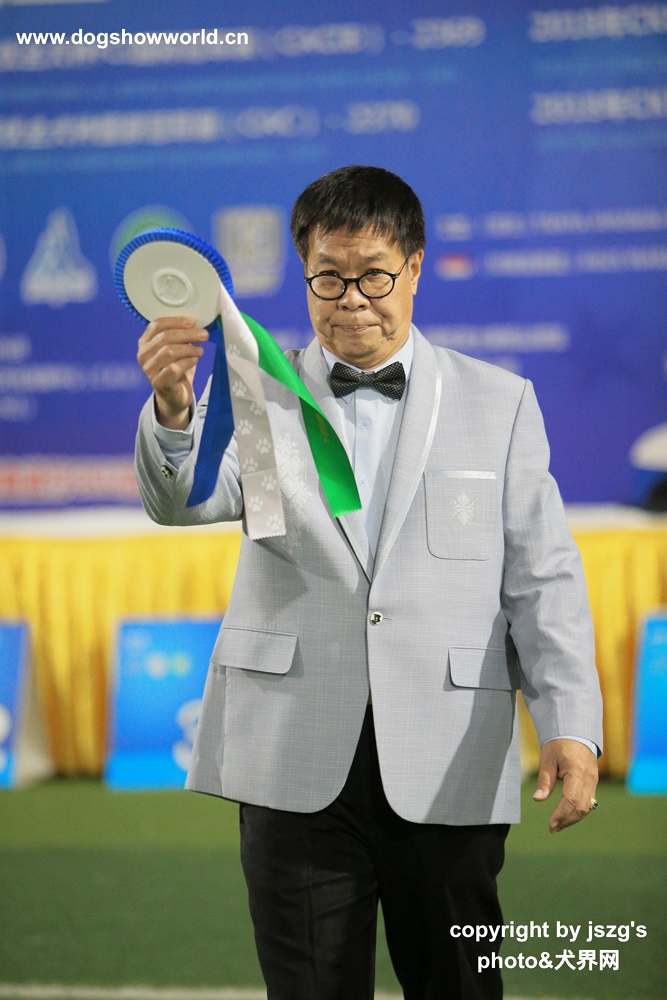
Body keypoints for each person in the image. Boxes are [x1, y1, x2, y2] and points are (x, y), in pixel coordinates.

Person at [134, 165, 602, 1000]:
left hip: (449, 757)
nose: (351, 300)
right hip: (293, 759)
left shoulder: (499, 402)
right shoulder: (260, 391)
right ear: (303, 272)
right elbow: (185, 501)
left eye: (374, 276)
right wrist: (174, 410)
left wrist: (569, 723)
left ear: (414, 268)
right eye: (329, 277)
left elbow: (542, 580)